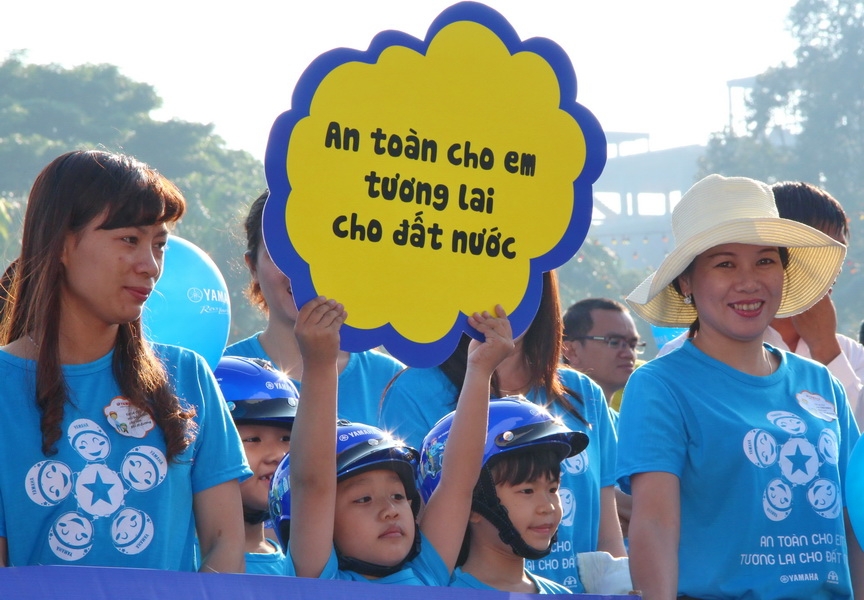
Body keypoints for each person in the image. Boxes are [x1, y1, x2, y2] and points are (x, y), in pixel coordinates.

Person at [0, 150, 250, 571]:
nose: (150, 266)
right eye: (129, 240)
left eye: (159, 245)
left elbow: (224, 545)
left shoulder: (189, 375)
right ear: (61, 243)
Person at [617, 173, 863, 599]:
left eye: (765, 261)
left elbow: (853, 518)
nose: (749, 281)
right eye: (725, 264)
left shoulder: (822, 381)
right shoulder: (661, 385)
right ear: (686, 282)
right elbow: (654, 525)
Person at [380, 271, 625, 590]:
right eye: (485, 276)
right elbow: (424, 521)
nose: (500, 301)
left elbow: (607, 534)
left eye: (515, 277)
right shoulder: (414, 391)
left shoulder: (583, 392)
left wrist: (620, 589)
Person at [279, 297, 513, 584]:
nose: (390, 511)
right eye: (363, 499)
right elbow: (312, 483)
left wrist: (479, 369)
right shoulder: (321, 580)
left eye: (398, 496)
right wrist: (319, 364)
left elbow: (459, 483)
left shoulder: (427, 573)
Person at [656, 181, 864, 423]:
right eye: (726, 264)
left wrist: (826, 349)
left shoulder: (849, 353)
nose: (833, 269)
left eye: (839, 253)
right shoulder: (678, 363)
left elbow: (854, 440)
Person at [225, 191, 404, 425]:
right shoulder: (220, 373)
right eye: (282, 255)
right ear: (253, 267)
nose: (302, 272)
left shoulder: (393, 381)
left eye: (320, 251)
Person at [419, 396, 590, 593]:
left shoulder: (562, 595)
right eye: (527, 491)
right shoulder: (439, 593)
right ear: (471, 506)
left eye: (552, 489)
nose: (548, 507)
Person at [214, 356, 297, 575]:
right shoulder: (175, 558)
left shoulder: (300, 568)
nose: (278, 455)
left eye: (286, 439)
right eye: (253, 440)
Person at [561, 297, 645, 415]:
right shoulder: (549, 418)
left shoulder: (622, 422)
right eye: (614, 342)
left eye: (633, 344)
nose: (629, 354)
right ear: (572, 351)